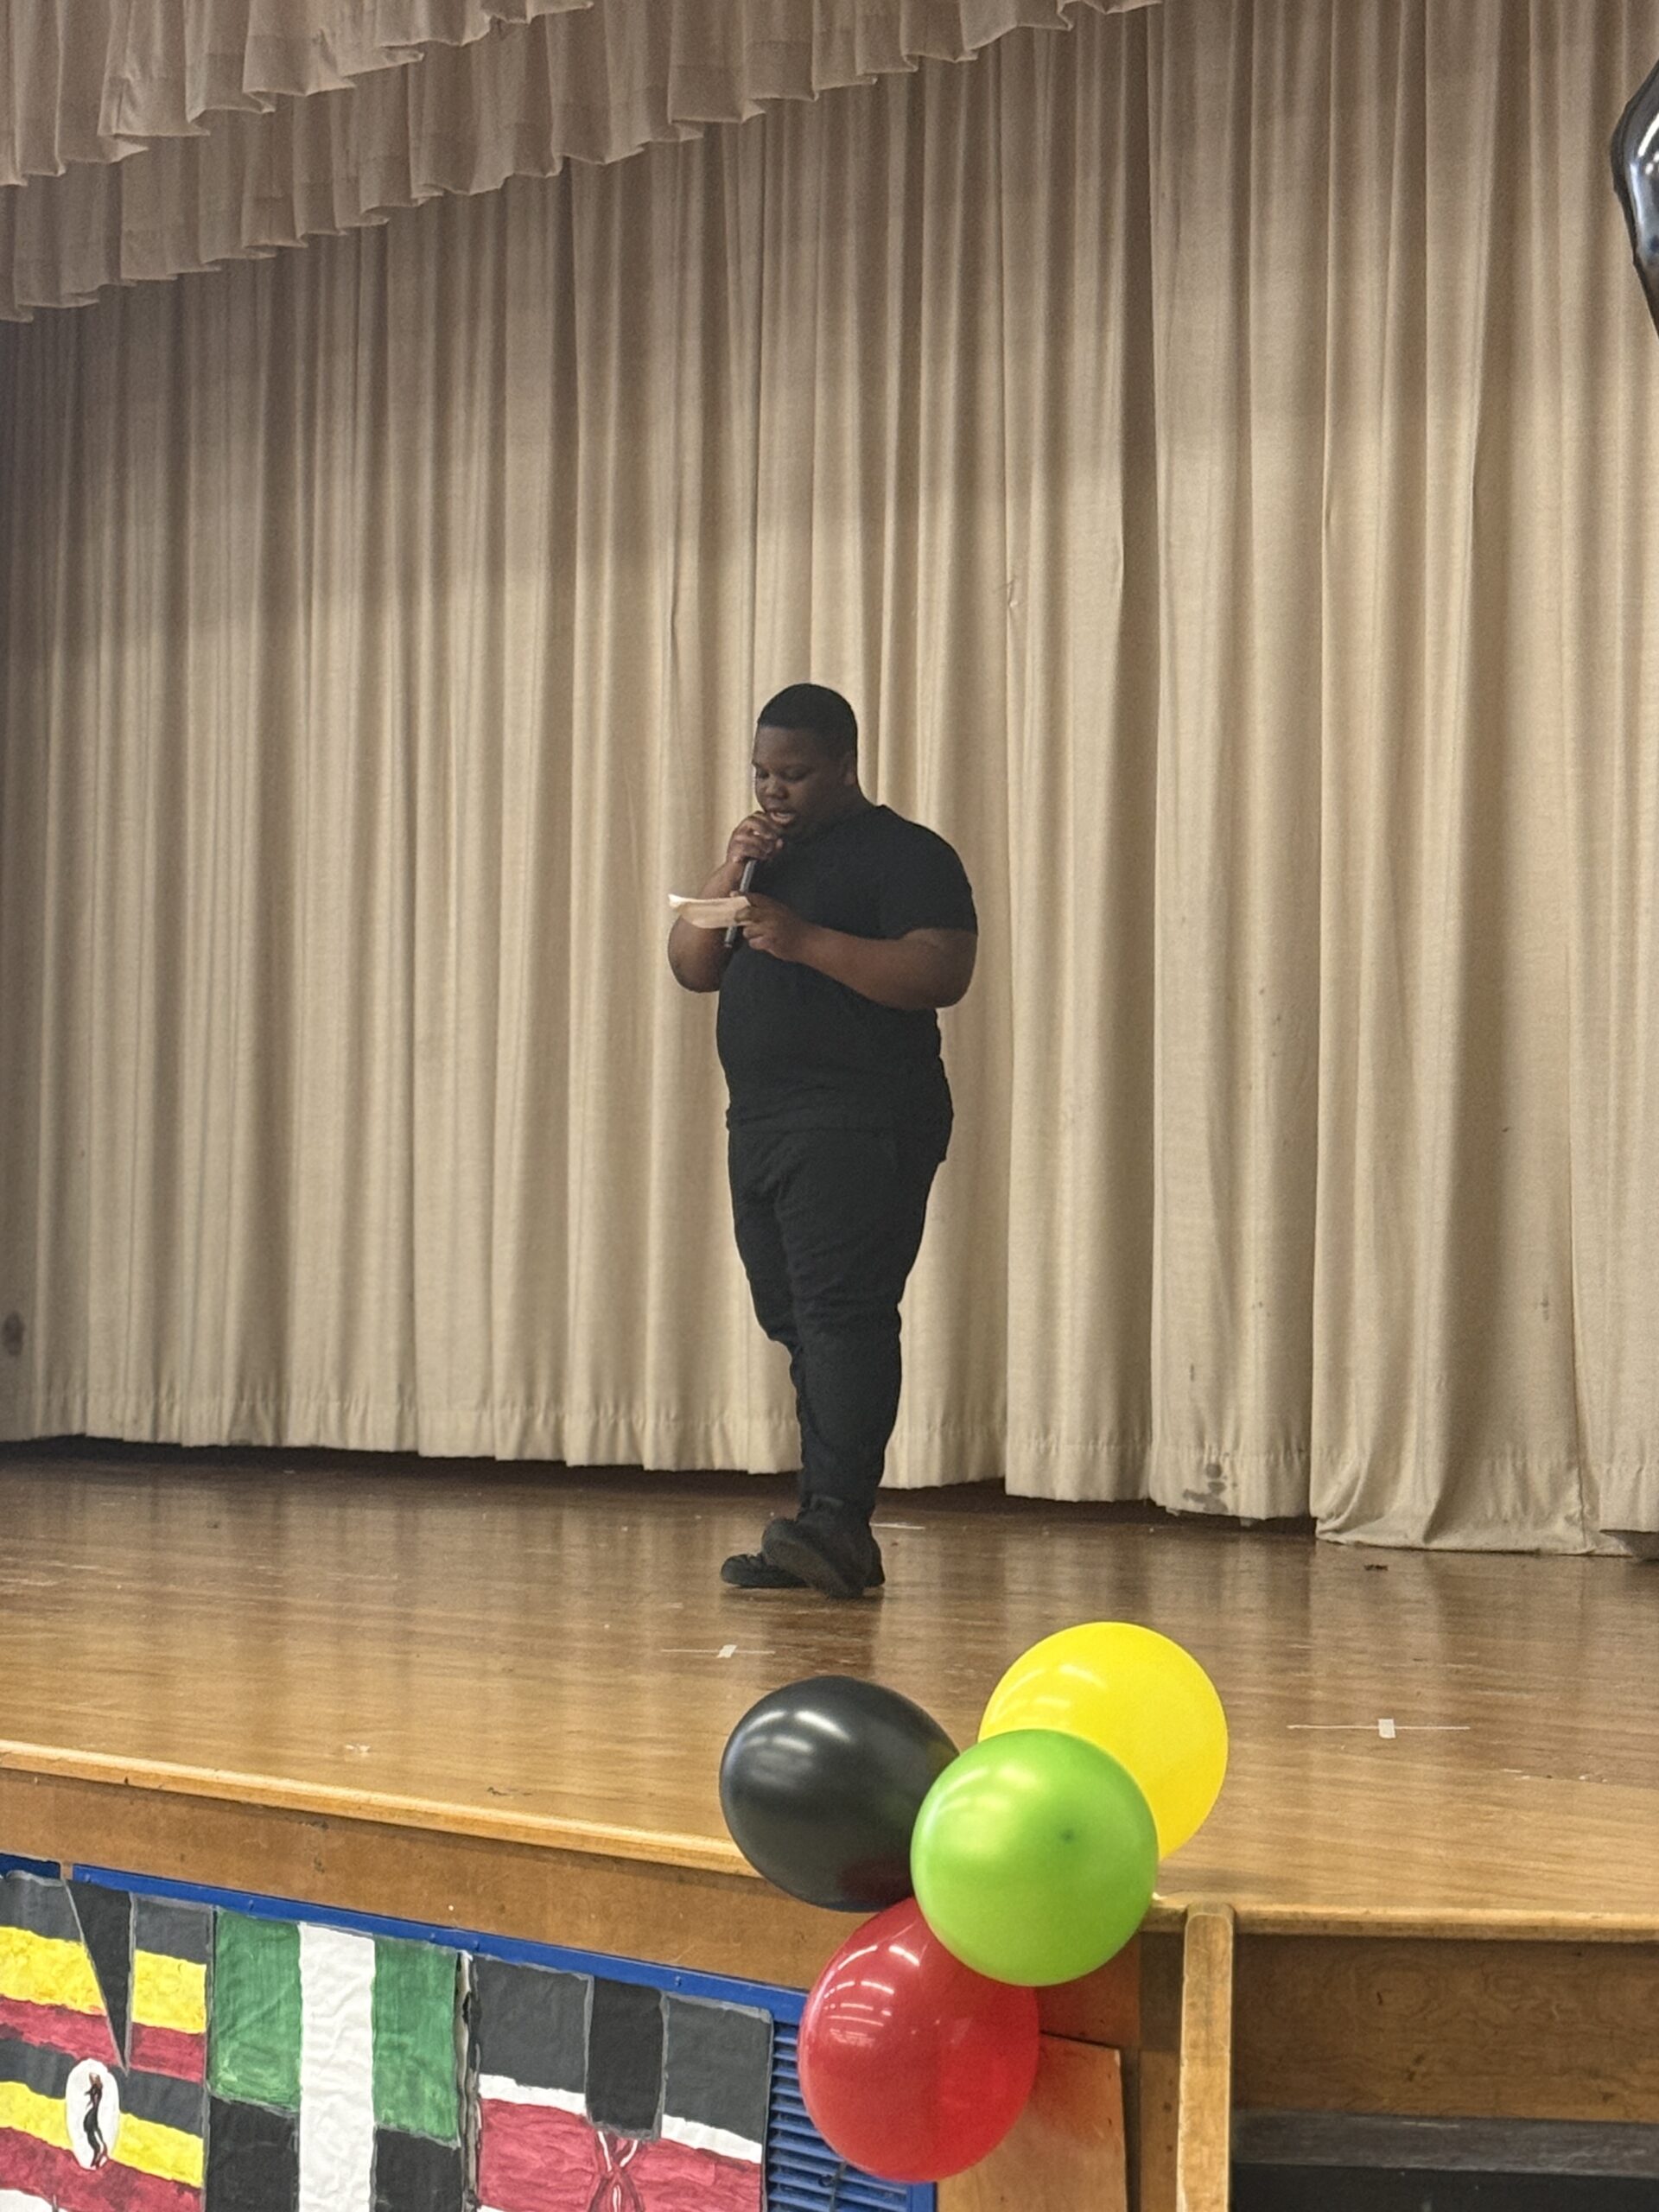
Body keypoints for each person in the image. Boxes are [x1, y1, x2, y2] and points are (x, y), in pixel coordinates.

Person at [668, 683, 977, 1598]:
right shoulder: (763, 861)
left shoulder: (908, 854)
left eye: (794, 774)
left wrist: (804, 940)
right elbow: (691, 966)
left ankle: (838, 1520)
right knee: (797, 1318)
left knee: (841, 1315)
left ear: (845, 763)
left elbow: (941, 970)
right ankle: (824, 1524)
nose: (774, 790)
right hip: (763, 1121)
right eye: (762, 772)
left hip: (861, 1119)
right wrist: (728, 872)